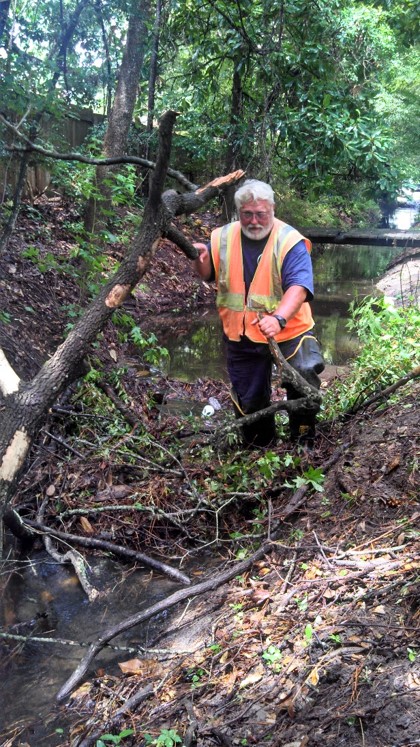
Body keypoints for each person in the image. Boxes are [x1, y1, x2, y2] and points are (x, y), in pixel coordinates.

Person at [192, 179, 325, 447]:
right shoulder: (222, 237)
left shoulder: (289, 240)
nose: (254, 221)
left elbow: (299, 288)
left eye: (261, 214)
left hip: (290, 330)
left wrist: (278, 319)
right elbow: (209, 275)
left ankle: (302, 442)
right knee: (249, 398)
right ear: (239, 212)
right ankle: (259, 449)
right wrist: (200, 260)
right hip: (240, 333)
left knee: (302, 376)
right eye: (247, 214)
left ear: (272, 210)